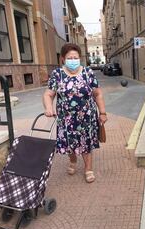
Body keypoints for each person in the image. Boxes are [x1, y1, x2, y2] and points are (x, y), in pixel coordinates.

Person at [43, 43, 107, 183]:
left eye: (75, 57)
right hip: (66, 118)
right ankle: (72, 160)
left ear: (80, 58)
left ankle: (88, 169)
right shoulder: (57, 74)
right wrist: (49, 108)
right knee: (69, 142)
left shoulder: (87, 73)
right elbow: (48, 94)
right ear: (63, 59)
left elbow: (97, 94)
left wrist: (102, 112)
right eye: (70, 58)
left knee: (86, 143)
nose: (73, 60)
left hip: (86, 117)